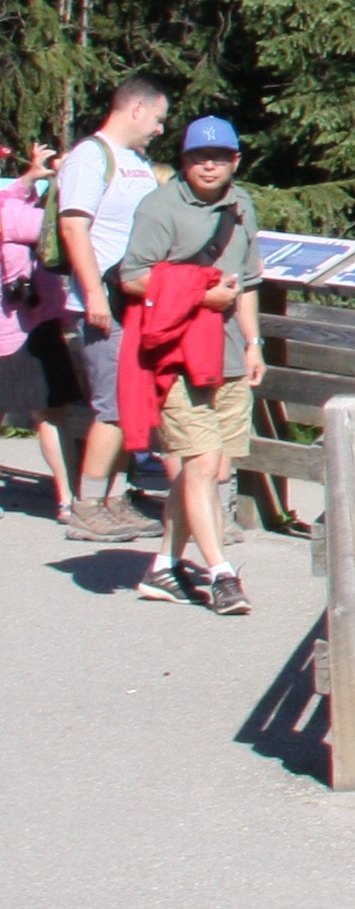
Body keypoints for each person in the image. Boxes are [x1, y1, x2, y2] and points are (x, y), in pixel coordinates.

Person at [116, 116, 262, 615]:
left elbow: (247, 282)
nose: (209, 165)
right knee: (198, 464)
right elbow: (132, 277)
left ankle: (162, 568)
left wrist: (253, 341)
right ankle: (222, 574)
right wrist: (200, 293)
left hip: (228, 358)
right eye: (200, 157)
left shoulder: (242, 206)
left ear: (234, 161)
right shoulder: (159, 209)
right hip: (177, 357)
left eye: (220, 156)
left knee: (216, 469)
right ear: (184, 161)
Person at [52, 77, 168, 542]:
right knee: (113, 406)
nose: (160, 129)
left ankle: (113, 498)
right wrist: (93, 295)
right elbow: (74, 229)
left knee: (130, 403)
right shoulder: (89, 157)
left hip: (135, 301)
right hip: (103, 304)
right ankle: (86, 506)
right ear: (136, 109)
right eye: (159, 118)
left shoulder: (136, 162)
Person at [2, 138, 67, 522]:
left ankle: (70, 497)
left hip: (30, 322)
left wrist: (31, 178)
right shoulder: (11, 214)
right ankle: (69, 498)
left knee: (50, 413)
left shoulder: (11, 202)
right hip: (21, 329)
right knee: (48, 413)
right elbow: (52, 227)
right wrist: (67, 182)